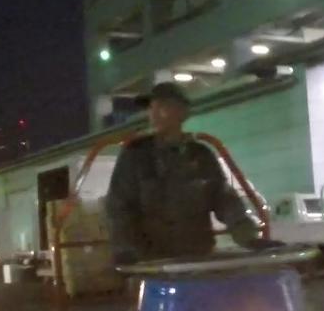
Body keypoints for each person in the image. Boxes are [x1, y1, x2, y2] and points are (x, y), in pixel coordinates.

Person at [104, 81, 273, 264]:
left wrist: (249, 237)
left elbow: (224, 199)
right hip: (151, 263)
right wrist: (124, 249)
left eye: (163, 107)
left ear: (182, 113)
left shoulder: (201, 156)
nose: (154, 115)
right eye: (152, 108)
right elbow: (119, 206)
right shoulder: (135, 156)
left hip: (196, 257)